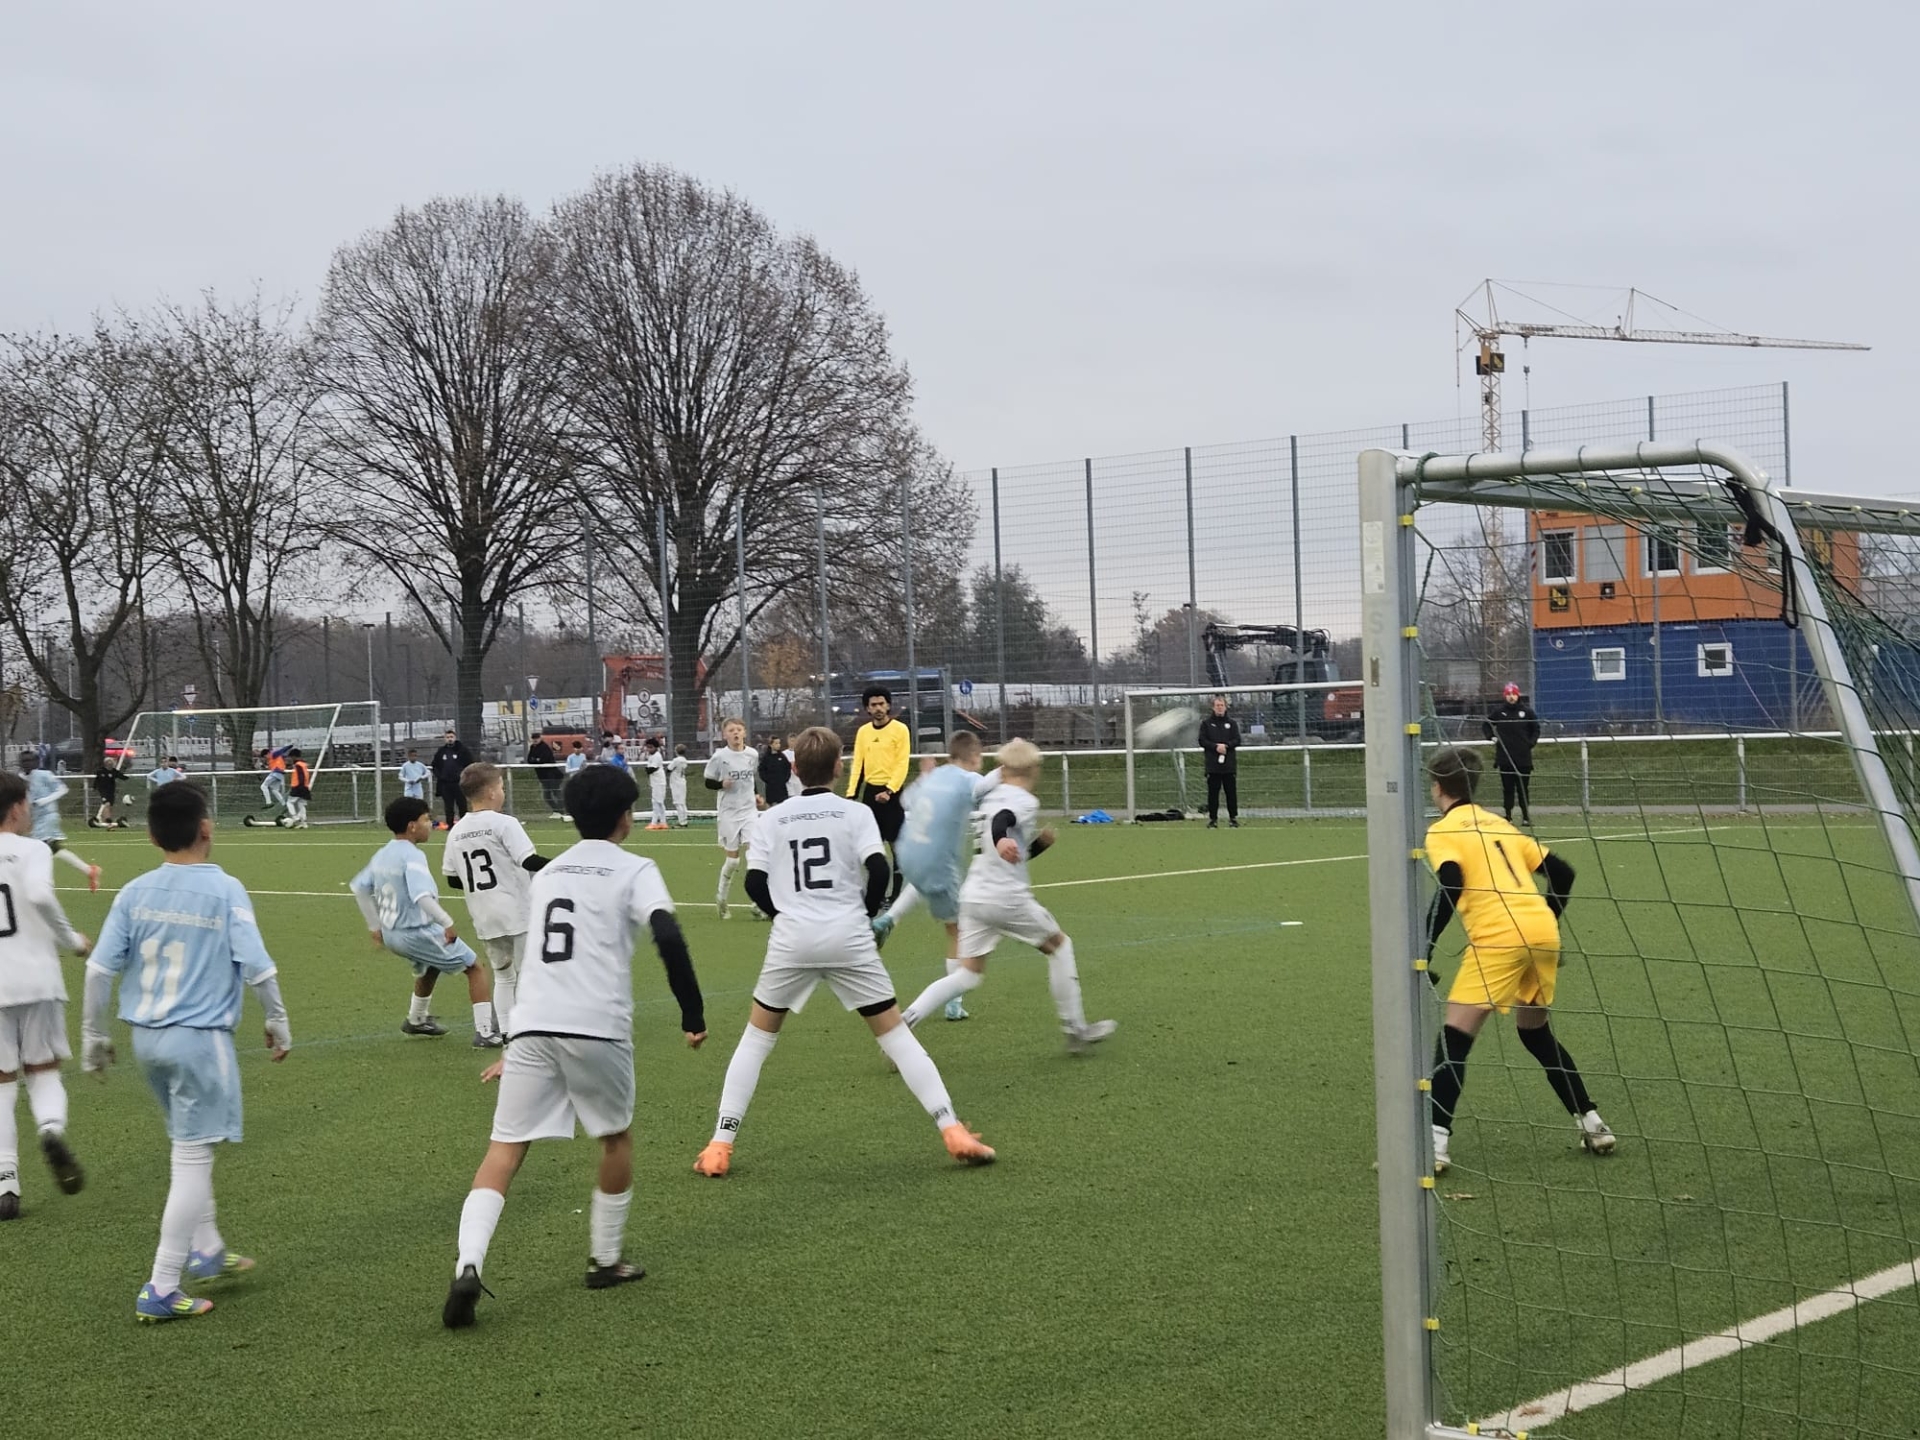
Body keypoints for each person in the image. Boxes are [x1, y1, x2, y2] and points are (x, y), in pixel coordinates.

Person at [443, 764, 707, 1328]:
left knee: (504, 1149)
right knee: (614, 1138)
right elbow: (666, 933)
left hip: (533, 1023)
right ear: (625, 817)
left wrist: (517, 1040)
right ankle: (605, 1260)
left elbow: (541, 960)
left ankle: (468, 1263)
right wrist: (692, 1012)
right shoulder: (636, 868)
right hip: (597, 1024)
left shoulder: (551, 872)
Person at [692, 727, 994, 1179]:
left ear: (794, 769)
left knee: (756, 1040)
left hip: (793, 940)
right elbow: (879, 870)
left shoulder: (772, 818)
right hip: (848, 936)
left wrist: (782, 915)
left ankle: (720, 1144)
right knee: (896, 1037)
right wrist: (864, 915)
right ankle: (952, 1129)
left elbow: (754, 882)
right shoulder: (856, 812)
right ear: (839, 767)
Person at [80, 780, 293, 1322]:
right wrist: (277, 1019)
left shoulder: (134, 892)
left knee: (187, 1142)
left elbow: (99, 970)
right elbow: (258, 966)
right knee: (193, 1156)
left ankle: (208, 1249)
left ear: (152, 836)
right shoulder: (225, 889)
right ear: (206, 828)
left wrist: (92, 1035)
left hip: (147, 1040)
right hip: (199, 1040)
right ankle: (162, 1285)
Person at [1421, 746, 1613, 1176]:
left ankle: (1434, 1143)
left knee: (1454, 1040)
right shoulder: (1500, 823)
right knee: (1535, 1034)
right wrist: (1544, 919)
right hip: (1542, 932)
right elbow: (1563, 873)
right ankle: (1592, 1122)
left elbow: (1451, 881)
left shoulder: (1443, 830)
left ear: (1436, 786)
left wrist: (1424, 947)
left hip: (1498, 938)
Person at [900, 739, 1116, 1054]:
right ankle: (1075, 1030)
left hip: (974, 896)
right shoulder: (1023, 800)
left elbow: (1010, 850)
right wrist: (1002, 840)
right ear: (1033, 769)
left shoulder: (988, 797)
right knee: (1060, 947)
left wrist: (1035, 845)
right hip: (1005, 898)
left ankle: (905, 1022)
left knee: (967, 975)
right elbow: (1004, 821)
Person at [0, 770, 93, 1221]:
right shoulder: (33, 849)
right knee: (42, 1069)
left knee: (1, 1080)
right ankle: (51, 1129)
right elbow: (38, 895)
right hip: (36, 978)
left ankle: (6, 1180)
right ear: (18, 807)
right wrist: (72, 940)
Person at [351, 796, 501, 1047]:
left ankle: (417, 1019)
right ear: (412, 826)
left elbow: (359, 888)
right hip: (416, 931)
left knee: (431, 965)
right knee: (475, 967)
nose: (430, 824)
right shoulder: (412, 856)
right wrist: (446, 922)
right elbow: (421, 896)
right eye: (426, 819)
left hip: (392, 934)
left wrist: (374, 927)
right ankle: (485, 1032)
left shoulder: (383, 853)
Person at [871, 733, 1000, 1022]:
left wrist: (924, 777)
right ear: (974, 757)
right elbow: (987, 786)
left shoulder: (936, 775)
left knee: (922, 881)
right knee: (958, 931)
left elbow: (906, 799)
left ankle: (888, 919)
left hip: (907, 853)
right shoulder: (969, 779)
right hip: (938, 863)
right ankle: (954, 1002)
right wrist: (1007, 767)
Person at [845, 687, 912, 900]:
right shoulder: (863, 732)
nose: (878, 708)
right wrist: (851, 795)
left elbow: (902, 763)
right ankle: (877, 895)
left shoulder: (900, 730)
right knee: (871, 847)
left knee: (896, 846)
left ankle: (895, 895)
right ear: (867, 708)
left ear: (888, 705)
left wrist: (890, 790)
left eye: (881, 704)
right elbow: (858, 764)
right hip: (871, 794)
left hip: (892, 794)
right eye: (873, 705)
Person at [703, 718, 761, 919]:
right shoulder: (720, 757)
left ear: (744, 732)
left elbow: (751, 778)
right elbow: (708, 781)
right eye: (731, 730)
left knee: (754, 856)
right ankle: (722, 900)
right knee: (733, 862)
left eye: (739, 729)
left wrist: (756, 794)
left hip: (749, 812)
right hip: (728, 813)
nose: (736, 733)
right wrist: (721, 784)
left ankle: (758, 903)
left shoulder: (752, 754)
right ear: (725, 734)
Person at [20, 753, 102, 891]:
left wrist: (45, 800)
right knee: (53, 849)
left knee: (39, 849)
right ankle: (89, 870)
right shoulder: (21, 778)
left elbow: (62, 789)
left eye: (29, 761)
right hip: (36, 819)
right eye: (24, 761)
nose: (26, 764)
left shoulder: (44, 775)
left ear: (36, 762)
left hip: (48, 816)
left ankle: (39, 883)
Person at [1483, 683, 1541, 826]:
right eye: (1508, 694)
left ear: (1518, 695)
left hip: (1523, 759)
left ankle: (1526, 817)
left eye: (1514, 694)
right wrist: (1491, 737)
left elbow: (1536, 729)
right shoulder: (1499, 712)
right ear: (1505, 696)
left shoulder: (1527, 712)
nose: (1511, 697)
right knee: (1508, 789)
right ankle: (1508, 816)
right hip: (1505, 758)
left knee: (1523, 789)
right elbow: (1486, 724)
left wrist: (1530, 743)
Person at [1196, 695, 1242, 829]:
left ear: (1225, 707)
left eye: (1222, 705)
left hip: (1229, 766)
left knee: (1231, 793)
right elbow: (1202, 741)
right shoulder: (1206, 724)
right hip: (1213, 766)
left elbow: (1237, 740)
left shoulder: (1232, 724)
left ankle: (1233, 818)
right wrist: (1215, 746)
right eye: (1217, 705)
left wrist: (1226, 746)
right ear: (1213, 707)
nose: (1220, 708)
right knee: (1213, 794)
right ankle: (1213, 819)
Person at [431, 730, 474, 830]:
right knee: (448, 806)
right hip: (446, 784)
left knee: (462, 805)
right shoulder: (441, 751)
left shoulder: (462, 750)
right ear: (445, 739)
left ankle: (464, 825)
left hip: (459, 783)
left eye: (451, 737)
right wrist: (440, 776)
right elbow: (435, 765)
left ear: (455, 738)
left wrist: (464, 777)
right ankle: (450, 826)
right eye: (448, 737)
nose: (450, 739)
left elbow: (470, 764)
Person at [527, 730, 564, 820]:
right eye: (533, 738)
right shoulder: (532, 747)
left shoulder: (544, 747)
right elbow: (529, 760)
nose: (535, 740)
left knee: (555, 792)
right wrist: (536, 760)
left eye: (537, 738)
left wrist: (536, 760)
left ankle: (561, 811)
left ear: (540, 738)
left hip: (553, 775)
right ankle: (557, 810)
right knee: (547, 795)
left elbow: (544, 759)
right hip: (543, 776)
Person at [640, 738, 669, 831]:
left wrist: (647, 769)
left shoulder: (657, 756)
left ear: (655, 747)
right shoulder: (651, 756)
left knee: (658, 802)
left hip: (659, 782)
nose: (649, 749)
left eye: (651, 747)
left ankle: (656, 822)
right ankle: (661, 822)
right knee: (656, 802)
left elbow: (651, 769)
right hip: (655, 782)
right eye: (648, 747)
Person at [758, 735, 792, 810]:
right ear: (771, 744)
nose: (778, 745)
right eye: (776, 743)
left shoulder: (782, 756)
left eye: (779, 743)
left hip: (782, 788)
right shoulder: (766, 758)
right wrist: (768, 780)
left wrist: (785, 779)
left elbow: (787, 768)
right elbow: (761, 770)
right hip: (771, 789)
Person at [91, 755, 126, 829]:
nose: (110, 764)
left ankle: (106, 822)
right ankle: (108, 822)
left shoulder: (114, 772)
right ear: (106, 763)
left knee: (109, 806)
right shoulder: (100, 771)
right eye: (109, 762)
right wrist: (94, 787)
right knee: (106, 804)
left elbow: (123, 777)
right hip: (103, 791)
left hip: (111, 792)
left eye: (111, 763)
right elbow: (97, 780)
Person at [283, 750, 312, 829]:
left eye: (290, 757)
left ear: (294, 756)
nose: (290, 759)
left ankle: (294, 817)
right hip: (305, 786)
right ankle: (304, 823)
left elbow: (301, 776)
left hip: (298, 786)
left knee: (289, 802)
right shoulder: (303, 764)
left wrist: (299, 785)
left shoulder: (298, 765)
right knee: (301, 805)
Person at [667, 744, 690, 827]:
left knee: (678, 803)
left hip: (676, 783)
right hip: (682, 781)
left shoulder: (676, 760)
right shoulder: (684, 760)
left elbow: (669, 768)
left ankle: (681, 821)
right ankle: (684, 819)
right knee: (682, 802)